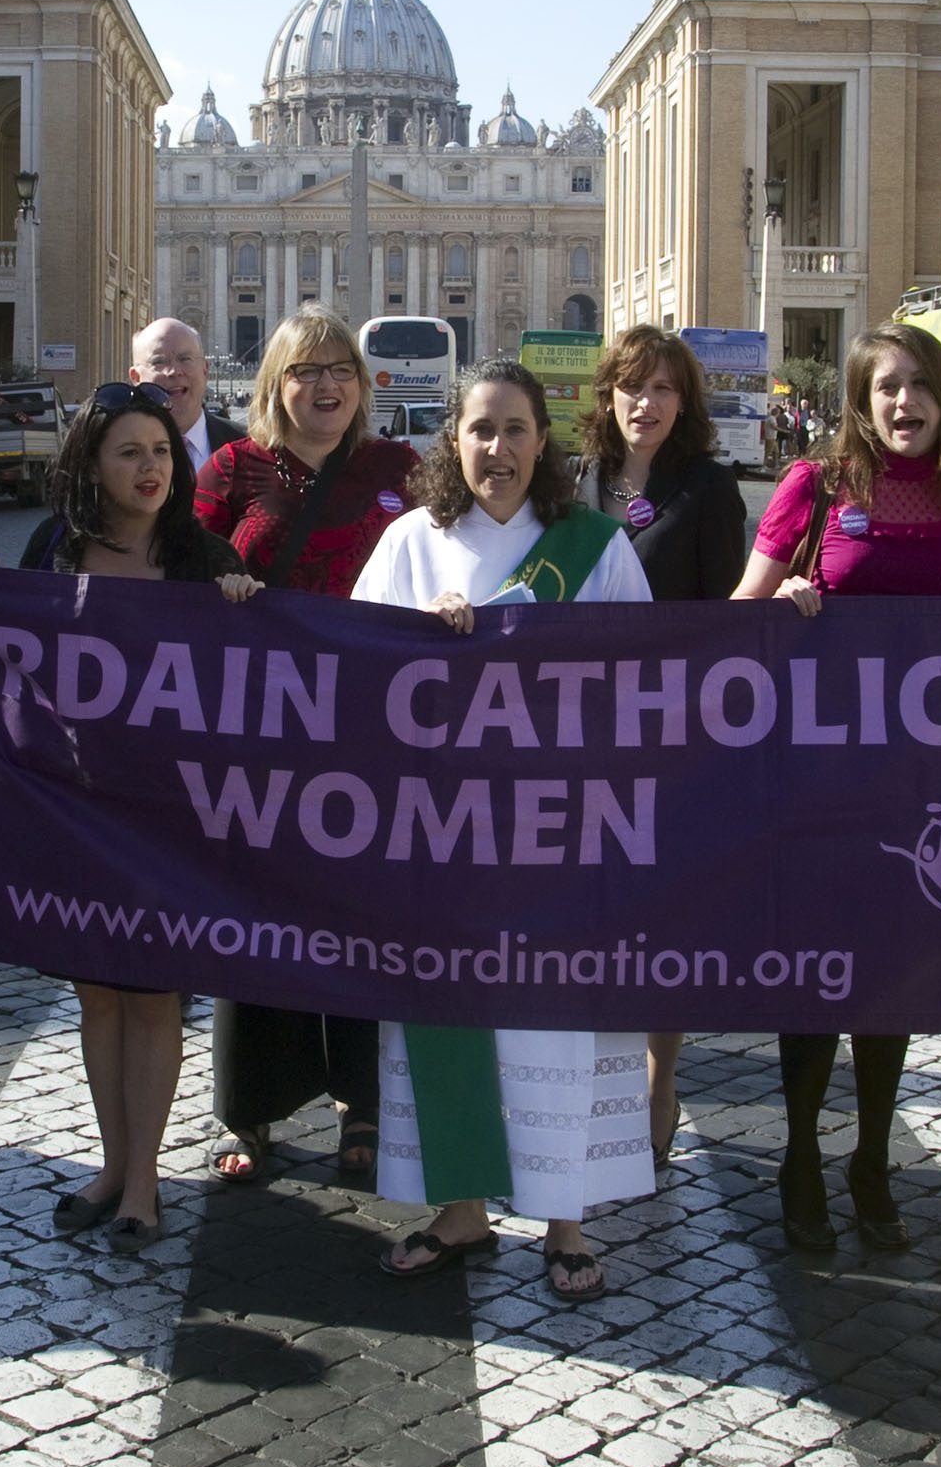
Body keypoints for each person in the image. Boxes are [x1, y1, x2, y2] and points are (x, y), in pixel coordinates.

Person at [351, 361, 652, 1304]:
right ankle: (462, 1208)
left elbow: (643, 680)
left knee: (554, 1027)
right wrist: (418, 639)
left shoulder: (594, 547)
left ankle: (564, 1222)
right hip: (440, 835)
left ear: (542, 442)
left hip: (559, 833)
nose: (499, 449)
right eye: (481, 430)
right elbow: (349, 672)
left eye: (517, 430)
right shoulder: (409, 542)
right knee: (447, 1018)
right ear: (453, 440)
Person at [732, 322, 941, 1254]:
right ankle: (802, 1153)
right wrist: (779, 610)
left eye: (921, 385)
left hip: (918, 790)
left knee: (892, 984)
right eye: (887, 386)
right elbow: (736, 625)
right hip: (815, 784)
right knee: (813, 981)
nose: (905, 403)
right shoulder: (813, 487)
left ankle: (874, 1159)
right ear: (860, 397)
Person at [0, 383, 258, 1243]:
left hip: (168, 812)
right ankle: (112, 1163)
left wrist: (245, 599)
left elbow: (252, 674)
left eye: (160, 452)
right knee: (100, 997)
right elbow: (6, 646)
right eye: (130, 452)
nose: (150, 467)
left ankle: (146, 1184)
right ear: (93, 463)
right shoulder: (57, 547)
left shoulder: (201, 554)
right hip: (77, 805)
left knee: (156, 996)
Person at [190, 308, 420, 1182]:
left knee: (364, 917)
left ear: (360, 388)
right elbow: (183, 559)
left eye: (342, 371)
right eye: (305, 371)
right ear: (274, 384)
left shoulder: (399, 469)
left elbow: (454, 553)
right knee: (259, 911)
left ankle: (364, 1103)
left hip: (375, 728)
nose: (326, 386)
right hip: (265, 726)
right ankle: (250, 1107)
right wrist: (223, 581)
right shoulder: (232, 469)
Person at [578, 324, 750, 1169]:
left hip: (674, 732)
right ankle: (595, 1077)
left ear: (685, 403)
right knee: (598, 915)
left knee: (664, 916)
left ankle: (660, 1076)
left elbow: (725, 616)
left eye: (664, 389)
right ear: (608, 394)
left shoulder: (710, 491)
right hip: (581, 736)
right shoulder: (574, 484)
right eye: (632, 387)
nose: (646, 404)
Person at [129, 315, 242, 484]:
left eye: (184, 359)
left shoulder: (247, 445)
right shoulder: (116, 449)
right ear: (136, 378)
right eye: (159, 362)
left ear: (205, 370)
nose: (174, 371)